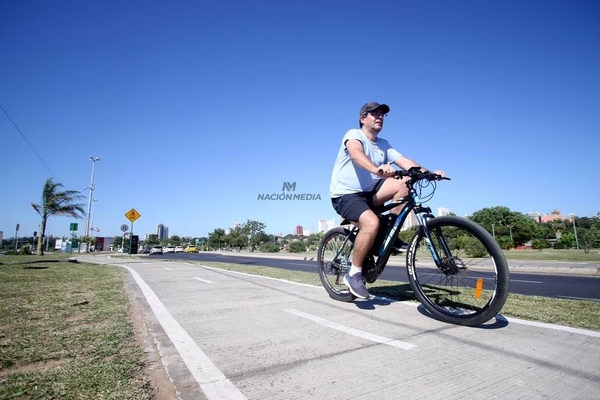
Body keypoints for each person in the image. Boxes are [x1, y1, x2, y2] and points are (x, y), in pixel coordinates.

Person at [329, 101, 445, 299]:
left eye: (382, 114)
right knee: (371, 222)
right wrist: (377, 169)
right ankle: (354, 274)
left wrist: (429, 173)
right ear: (362, 118)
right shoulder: (353, 135)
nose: (379, 116)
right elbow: (356, 155)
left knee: (406, 180)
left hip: (369, 194)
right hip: (345, 195)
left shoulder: (383, 145)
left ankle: (389, 231)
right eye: (373, 113)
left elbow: (406, 162)